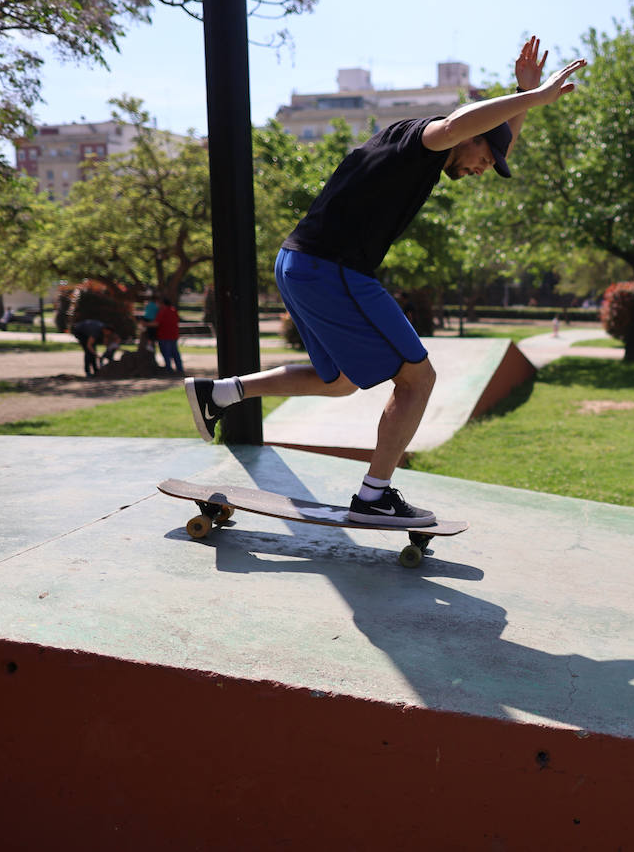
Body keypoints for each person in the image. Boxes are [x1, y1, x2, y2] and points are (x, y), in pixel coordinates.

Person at [184, 36, 586, 526]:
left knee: (340, 382)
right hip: (332, 269)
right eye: (485, 159)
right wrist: (536, 96)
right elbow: (463, 125)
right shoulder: (426, 141)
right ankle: (374, 496)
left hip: (298, 263)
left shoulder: (419, 148)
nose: (484, 170)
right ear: (471, 138)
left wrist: (522, 99)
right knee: (419, 379)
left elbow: (486, 138)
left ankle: (219, 393)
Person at [155, 297, 183, 373]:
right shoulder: (174, 310)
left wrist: (145, 324)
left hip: (164, 336)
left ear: (163, 304)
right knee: (175, 353)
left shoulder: (162, 311)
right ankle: (180, 369)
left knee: (166, 353)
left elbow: (156, 323)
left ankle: (169, 369)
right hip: (173, 335)